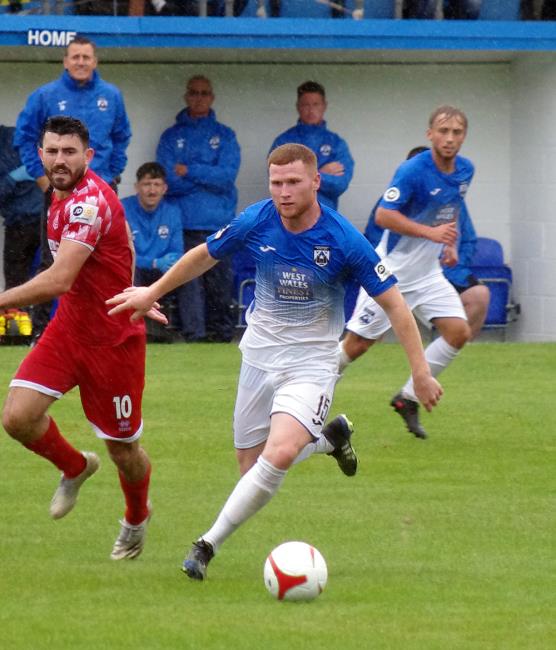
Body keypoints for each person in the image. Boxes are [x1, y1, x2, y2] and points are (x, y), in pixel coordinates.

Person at [107, 143, 442, 581]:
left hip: (312, 364)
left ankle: (206, 544)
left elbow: (397, 307)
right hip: (258, 359)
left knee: (280, 453)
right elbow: (203, 255)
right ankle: (329, 439)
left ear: (316, 182)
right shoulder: (257, 218)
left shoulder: (343, 239)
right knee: (251, 468)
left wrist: (420, 371)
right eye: (276, 182)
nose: (283, 192)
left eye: (293, 182)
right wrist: (151, 292)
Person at [1, 116, 152, 561]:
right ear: (41, 155)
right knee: (17, 418)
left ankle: (136, 517)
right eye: (52, 151)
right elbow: (124, 237)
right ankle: (75, 466)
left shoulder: (88, 202)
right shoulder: (58, 192)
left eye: (69, 152)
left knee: (124, 451)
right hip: (70, 329)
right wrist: (136, 288)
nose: (60, 160)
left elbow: (60, 279)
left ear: (88, 156)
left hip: (113, 343)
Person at [339, 106, 474, 440]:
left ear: (464, 136)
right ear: (430, 134)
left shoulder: (466, 170)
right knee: (356, 346)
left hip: (428, 274)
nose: (450, 138)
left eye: (457, 132)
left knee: (458, 332)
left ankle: (408, 398)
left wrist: (449, 244)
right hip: (392, 272)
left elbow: (449, 210)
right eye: (443, 131)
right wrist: (431, 234)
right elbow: (384, 216)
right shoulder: (413, 170)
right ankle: (304, 395)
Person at [14, 35, 132, 341]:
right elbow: (25, 137)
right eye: (75, 57)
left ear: (95, 61)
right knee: (50, 260)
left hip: (103, 193)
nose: (81, 62)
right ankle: (41, 331)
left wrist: (110, 173)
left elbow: (122, 137)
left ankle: (112, 328)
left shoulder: (111, 96)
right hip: (60, 192)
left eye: (86, 57)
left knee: (110, 261)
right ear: (66, 62)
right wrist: (42, 178)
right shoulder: (45, 95)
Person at [363, 146, 490, 340]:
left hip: (439, 274)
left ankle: (451, 354)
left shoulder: (453, 198)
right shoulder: (391, 205)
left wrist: (452, 254)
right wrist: (428, 234)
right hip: (396, 273)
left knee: (477, 298)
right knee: (361, 340)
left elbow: (467, 239)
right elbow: (373, 239)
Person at [156, 75, 240, 343]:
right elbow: (169, 180)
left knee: (219, 283)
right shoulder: (171, 136)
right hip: (186, 222)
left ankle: (222, 334)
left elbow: (226, 176)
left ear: (211, 97)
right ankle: (194, 334)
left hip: (219, 222)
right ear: (186, 96)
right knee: (190, 282)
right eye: (194, 92)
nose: (199, 97)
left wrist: (190, 170)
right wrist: (206, 179)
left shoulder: (225, 135)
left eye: (204, 93)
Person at [121, 161, 187, 341]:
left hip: (163, 271)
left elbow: (177, 250)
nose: (152, 190)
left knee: (189, 276)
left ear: (165, 188)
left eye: (156, 185)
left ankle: (195, 334)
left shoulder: (172, 212)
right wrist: (153, 262)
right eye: (146, 184)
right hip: (138, 268)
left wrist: (172, 261)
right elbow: (122, 253)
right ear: (137, 187)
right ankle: (133, 331)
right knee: (130, 275)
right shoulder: (123, 208)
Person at [269, 81, 354, 211]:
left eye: (315, 104)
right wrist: (319, 173)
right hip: (289, 219)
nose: (311, 110)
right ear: (298, 107)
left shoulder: (337, 144)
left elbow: (340, 184)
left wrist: (300, 177)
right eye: (305, 105)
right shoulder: (284, 141)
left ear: (324, 106)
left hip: (325, 218)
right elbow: (279, 181)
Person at [0, 125, 42, 312]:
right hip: (18, 223)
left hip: (44, 223)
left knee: (48, 280)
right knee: (17, 282)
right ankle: (19, 327)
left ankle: (39, 327)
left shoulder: (20, 136)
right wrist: (13, 178)